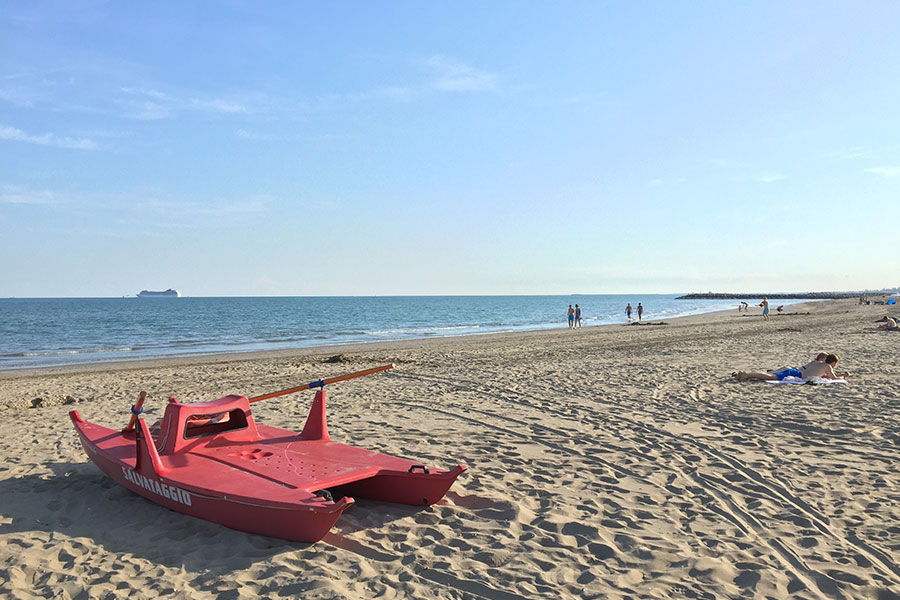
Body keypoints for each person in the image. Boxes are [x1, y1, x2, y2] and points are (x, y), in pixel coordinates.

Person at [733, 353, 849, 382]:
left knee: (770, 374)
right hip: (796, 374)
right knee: (771, 377)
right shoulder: (827, 366)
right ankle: (746, 375)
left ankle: (747, 374)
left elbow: (826, 375)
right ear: (832, 362)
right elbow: (832, 378)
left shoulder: (817, 363)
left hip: (795, 370)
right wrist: (843, 376)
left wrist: (840, 374)